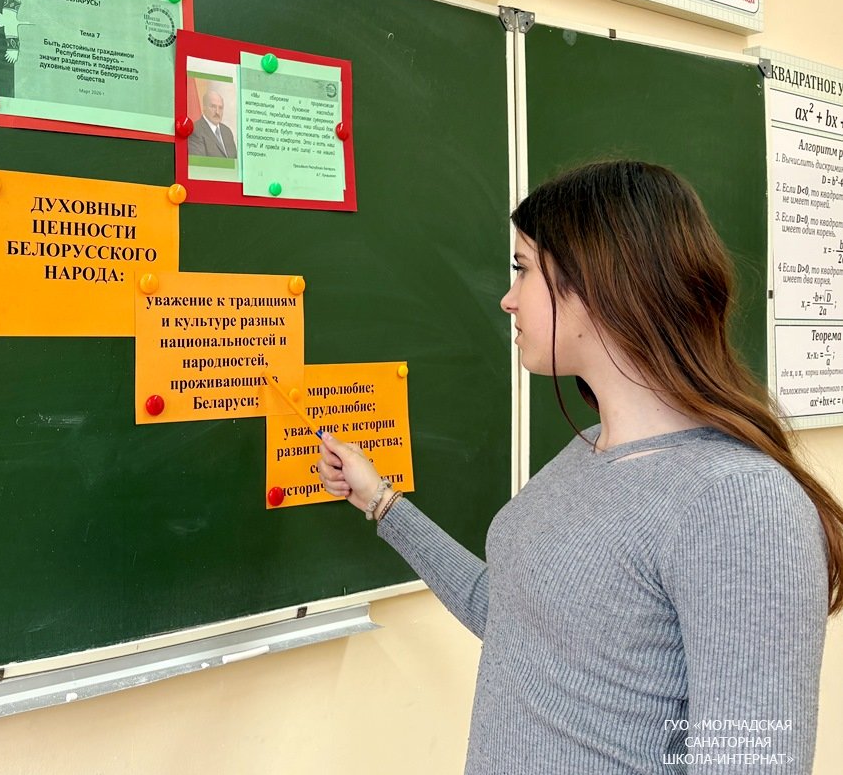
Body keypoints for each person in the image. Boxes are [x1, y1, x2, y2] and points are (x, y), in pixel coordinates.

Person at [318, 161, 841, 774]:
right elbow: (514, 618)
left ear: (597, 281)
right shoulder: (590, 448)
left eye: (522, 268)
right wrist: (381, 502)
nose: (508, 298)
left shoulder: (739, 504)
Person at [187, 88, 237, 159]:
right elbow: (199, 162)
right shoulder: (195, 130)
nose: (217, 112)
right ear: (204, 108)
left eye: (220, 108)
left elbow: (235, 160)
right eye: (213, 107)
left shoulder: (227, 132)